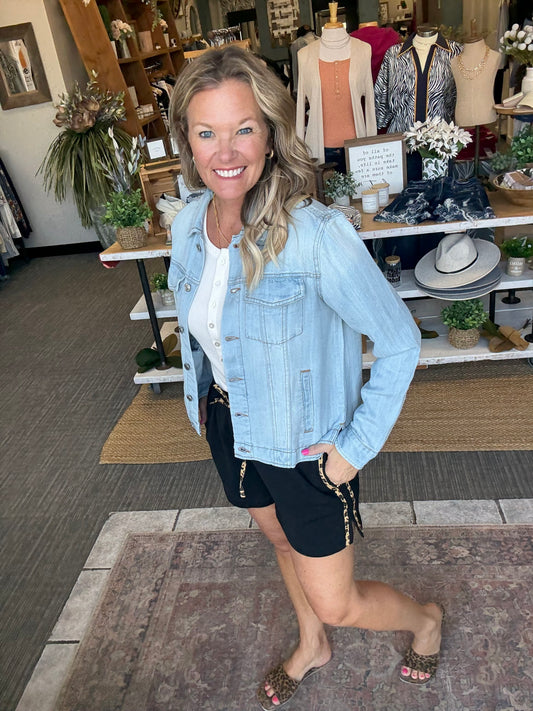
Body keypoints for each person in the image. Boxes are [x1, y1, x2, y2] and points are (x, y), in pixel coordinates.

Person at [168, 45, 444, 709]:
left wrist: (353, 449)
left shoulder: (314, 235)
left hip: (304, 443)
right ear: (186, 139)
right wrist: (202, 399)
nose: (225, 152)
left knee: (338, 601)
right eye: (206, 133)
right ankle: (311, 643)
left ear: (269, 134)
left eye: (243, 129)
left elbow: (400, 340)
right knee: (279, 540)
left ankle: (425, 620)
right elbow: (201, 330)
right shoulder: (187, 225)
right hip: (231, 423)